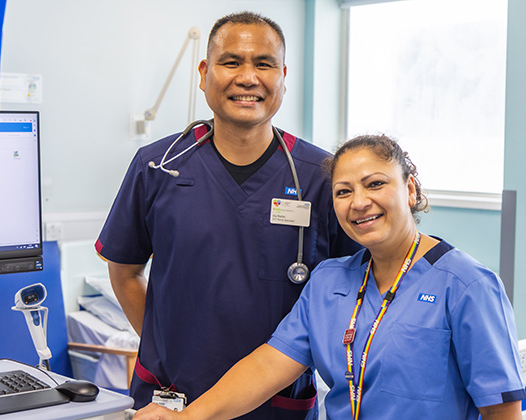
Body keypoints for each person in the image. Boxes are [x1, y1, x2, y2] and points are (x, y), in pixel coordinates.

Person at [132, 134, 525, 420]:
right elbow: (269, 366)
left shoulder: (467, 285)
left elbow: (502, 409)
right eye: (343, 191)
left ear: (410, 189)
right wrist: (188, 418)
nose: (359, 202)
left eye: (375, 184)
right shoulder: (329, 282)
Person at [95, 11, 358, 419]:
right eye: (231, 62)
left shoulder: (321, 177)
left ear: (283, 76)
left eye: (264, 64)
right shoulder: (158, 166)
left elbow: (352, 288)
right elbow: (125, 270)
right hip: (170, 397)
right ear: (204, 73)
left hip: (275, 404)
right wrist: (163, 345)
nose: (248, 78)